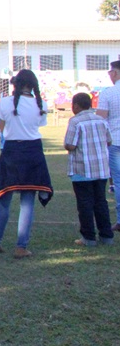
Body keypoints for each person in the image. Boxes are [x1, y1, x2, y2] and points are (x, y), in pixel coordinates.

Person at [0, 69, 53, 259]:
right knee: (27, 201)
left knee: (5, 198)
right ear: (33, 84)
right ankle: (21, 246)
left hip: (12, 151)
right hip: (34, 152)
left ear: (16, 84)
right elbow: (38, 125)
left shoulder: (5, 102)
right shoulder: (41, 104)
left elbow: (1, 127)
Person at [64, 92, 114, 247]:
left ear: (76, 106)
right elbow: (109, 141)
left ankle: (88, 237)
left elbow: (70, 145)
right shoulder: (101, 120)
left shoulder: (75, 121)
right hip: (100, 169)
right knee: (101, 202)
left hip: (82, 169)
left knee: (85, 203)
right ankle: (106, 236)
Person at [94, 60, 120, 232]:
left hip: (115, 141)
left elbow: (100, 120)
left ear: (115, 73)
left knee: (118, 181)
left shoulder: (108, 93)